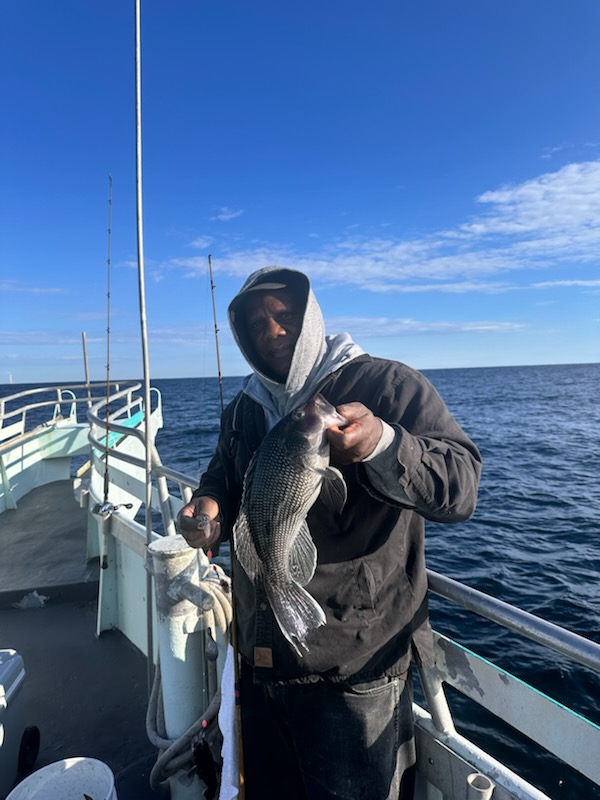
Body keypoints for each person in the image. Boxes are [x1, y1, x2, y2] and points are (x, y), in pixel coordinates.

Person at [178, 266, 482, 800]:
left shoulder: (387, 384)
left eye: (284, 316)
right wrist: (207, 512)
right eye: (255, 324)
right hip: (259, 657)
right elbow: (223, 480)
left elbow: (460, 485)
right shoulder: (243, 408)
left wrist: (385, 445)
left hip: (351, 671)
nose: (271, 332)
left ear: (311, 317)